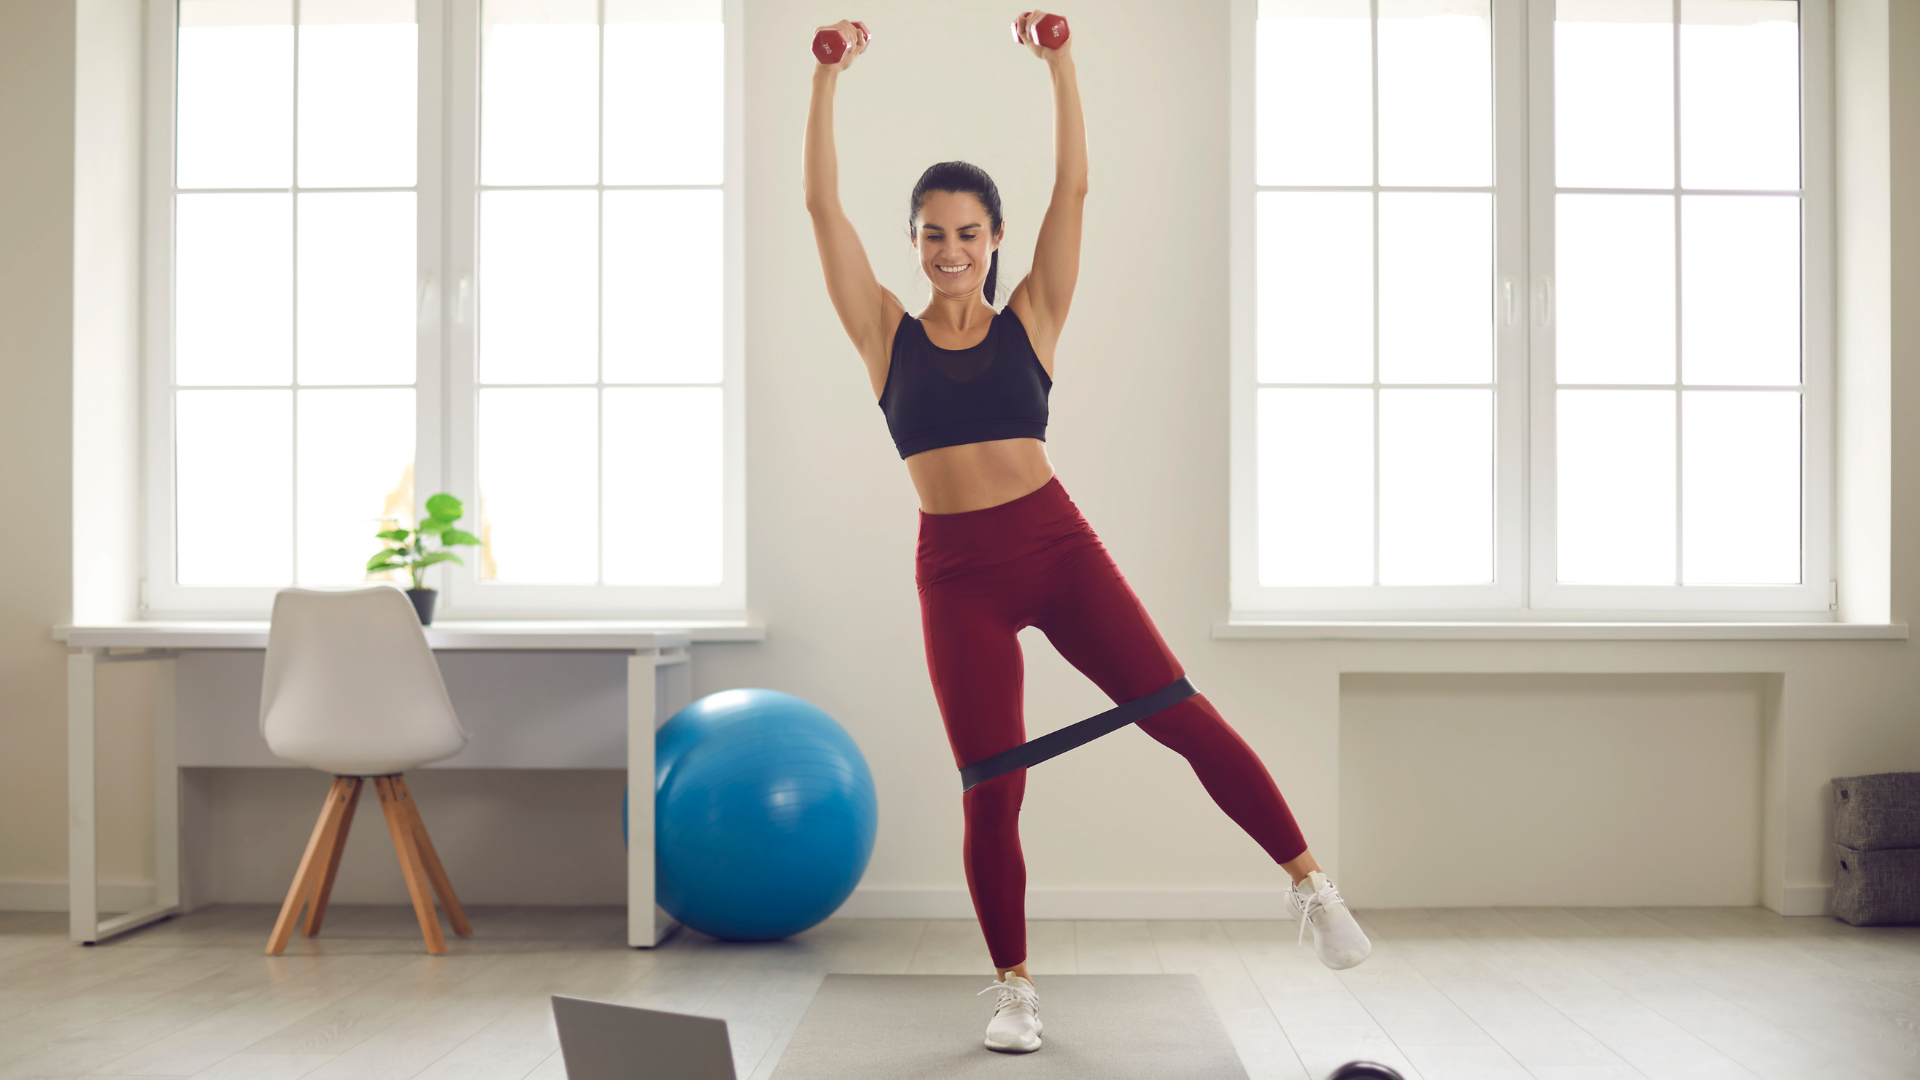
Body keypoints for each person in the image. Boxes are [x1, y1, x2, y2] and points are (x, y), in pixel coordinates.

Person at [802, 11, 1372, 1055]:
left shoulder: (1036, 315)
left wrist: (1062, 66)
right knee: (992, 787)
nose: (950, 251)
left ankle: (1311, 883)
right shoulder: (885, 334)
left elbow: (1075, 190)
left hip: (1057, 549)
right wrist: (829, 79)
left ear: (995, 239)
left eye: (969, 232)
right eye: (932, 232)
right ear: (914, 242)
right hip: (957, 572)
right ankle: (1015, 990)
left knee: (1180, 715)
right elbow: (819, 206)